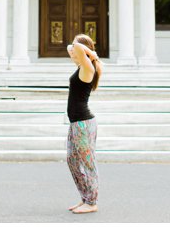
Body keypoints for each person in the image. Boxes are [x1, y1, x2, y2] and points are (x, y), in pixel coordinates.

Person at [65, 34, 102, 214]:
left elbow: (75, 46)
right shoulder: (82, 66)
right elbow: (70, 47)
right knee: (72, 160)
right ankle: (85, 198)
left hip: (83, 124)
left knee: (88, 163)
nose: (71, 51)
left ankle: (92, 202)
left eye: (76, 49)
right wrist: (84, 50)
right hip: (76, 123)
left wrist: (90, 53)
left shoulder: (88, 68)